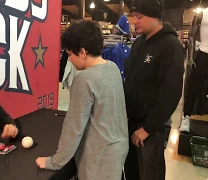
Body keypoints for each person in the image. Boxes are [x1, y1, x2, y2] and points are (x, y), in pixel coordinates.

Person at [36, 20, 129, 180]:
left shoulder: (84, 79)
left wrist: (55, 162)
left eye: (70, 54)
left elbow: (74, 127)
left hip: (98, 158)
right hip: (118, 149)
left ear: (83, 51)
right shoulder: (112, 67)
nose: (69, 60)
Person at [123, 0, 184, 180]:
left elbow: (171, 92)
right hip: (131, 123)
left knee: (150, 175)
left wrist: (148, 128)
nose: (134, 21)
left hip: (151, 129)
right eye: (133, 16)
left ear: (155, 17)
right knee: (132, 172)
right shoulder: (138, 44)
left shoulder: (170, 46)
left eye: (139, 17)